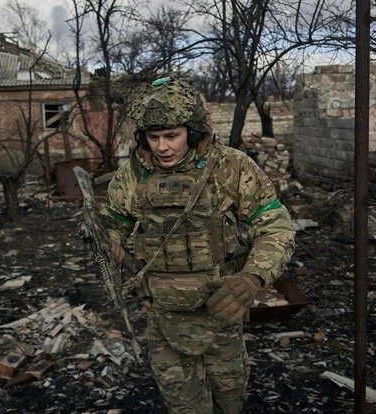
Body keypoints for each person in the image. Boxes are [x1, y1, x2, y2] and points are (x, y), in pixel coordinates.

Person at [100, 77, 296, 413]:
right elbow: (112, 224)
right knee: (186, 407)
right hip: (163, 317)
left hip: (221, 313)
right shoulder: (133, 175)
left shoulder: (231, 167)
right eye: (153, 137)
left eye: (172, 136)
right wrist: (105, 241)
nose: (162, 147)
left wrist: (252, 279)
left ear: (192, 132)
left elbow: (275, 227)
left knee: (230, 401)